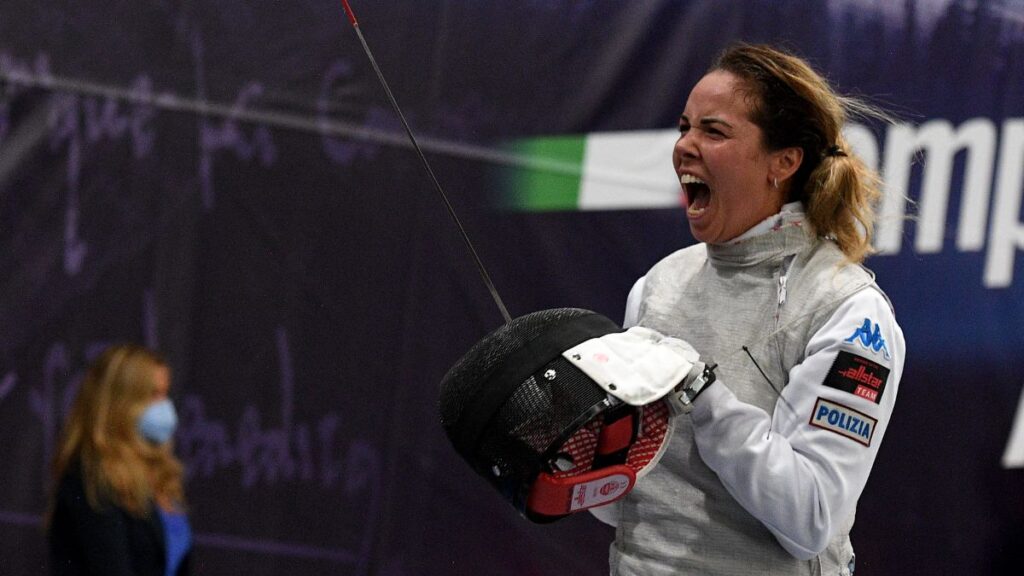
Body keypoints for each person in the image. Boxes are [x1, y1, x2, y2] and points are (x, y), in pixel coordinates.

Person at [591, 43, 906, 575]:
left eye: (713, 132)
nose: (684, 147)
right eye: (684, 127)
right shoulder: (660, 284)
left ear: (783, 162)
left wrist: (698, 391)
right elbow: (624, 501)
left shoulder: (848, 312)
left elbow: (810, 518)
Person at [47, 344, 193, 576]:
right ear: (118, 403)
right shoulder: (90, 480)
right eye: (153, 396)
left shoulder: (158, 476)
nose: (165, 407)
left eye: (165, 394)